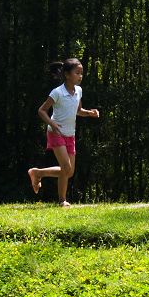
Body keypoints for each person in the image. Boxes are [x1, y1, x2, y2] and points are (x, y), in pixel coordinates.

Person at [27, 58, 99, 207]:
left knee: (69, 172)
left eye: (82, 73)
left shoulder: (78, 91)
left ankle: (37, 173)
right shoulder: (57, 92)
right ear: (67, 74)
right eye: (77, 73)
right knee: (66, 168)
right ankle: (62, 200)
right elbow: (41, 110)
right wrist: (51, 123)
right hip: (55, 133)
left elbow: (78, 111)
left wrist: (90, 113)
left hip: (70, 135)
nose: (80, 76)